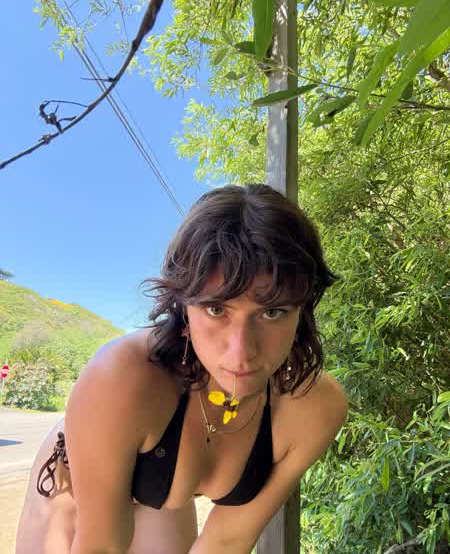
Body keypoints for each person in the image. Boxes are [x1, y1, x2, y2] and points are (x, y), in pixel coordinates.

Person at [15, 183, 349, 554]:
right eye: (216, 309)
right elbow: (101, 546)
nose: (242, 352)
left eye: (271, 312)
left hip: (164, 495)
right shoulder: (121, 377)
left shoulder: (316, 408)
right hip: (75, 483)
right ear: (183, 308)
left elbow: (227, 541)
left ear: (301, 311)